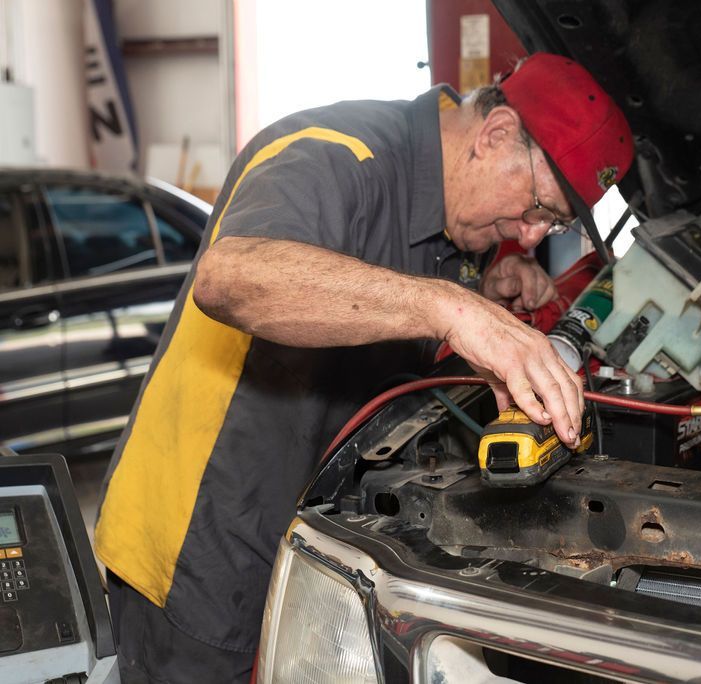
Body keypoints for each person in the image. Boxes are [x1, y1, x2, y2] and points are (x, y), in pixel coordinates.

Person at [94, 52, 634, 682]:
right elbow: (230, 278)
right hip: (201, 551)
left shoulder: (453, 217)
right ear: (494, 135)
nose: (534, 234)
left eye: (552, 222)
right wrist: (454, 310)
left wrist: (486, 298)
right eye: (539, 207)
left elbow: (378, 321)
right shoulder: (335, 155)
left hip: (308, 542)